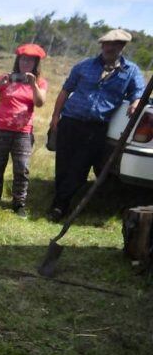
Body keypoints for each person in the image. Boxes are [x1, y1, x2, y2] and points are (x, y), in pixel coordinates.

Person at [47, 29, 145, 222]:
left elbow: (139, 92)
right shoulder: (84, 66)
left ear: (122, 47)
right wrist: (55, 116)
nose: (110, 48)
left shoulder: (131, 71)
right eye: (107, 44)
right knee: (64, 164)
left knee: (81, 169)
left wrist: (135, 102)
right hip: (71, 121)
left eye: (115, 44)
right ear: (102, 45)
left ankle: (60, 203)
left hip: (96, 127)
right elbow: (66, 91)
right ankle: (59, 205)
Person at [0, 44, 48, 217]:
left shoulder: (40, 82)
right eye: (23, 59)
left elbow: (40, 103)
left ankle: (19, 204)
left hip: (23, 133)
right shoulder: (6, 78)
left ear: (36, 63)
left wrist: (33, 85)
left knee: (22, 169)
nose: (26, 63)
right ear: (18, 60)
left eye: (30, 60)